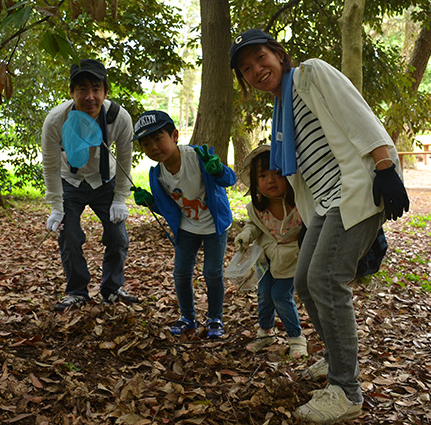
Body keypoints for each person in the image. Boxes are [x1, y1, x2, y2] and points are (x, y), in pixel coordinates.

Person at [230, 29, 409, 423]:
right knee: (303, 283)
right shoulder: (281, 108)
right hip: (324, 205)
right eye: (246, 69)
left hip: (355, 189)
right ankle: (333, 359)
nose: (257, 70)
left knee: (327, 280)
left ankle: (346, 390)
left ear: (278, 54)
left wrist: (384, 166)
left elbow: (355, 112)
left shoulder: (310, 75)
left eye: (261, 59)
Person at [41, 59, 139, 311]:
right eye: (82, 89)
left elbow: (126, 160)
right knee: (69, 236)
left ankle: (112, 288)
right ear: (71, 92)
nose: (90, 97)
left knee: (117, 236)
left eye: (96, 88)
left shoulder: (119, 118)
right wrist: (55, 206)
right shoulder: (56, 120)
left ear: (106, 92)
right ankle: (77, 291)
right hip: (69, 181)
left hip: (106, 181)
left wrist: (120, 199)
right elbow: (50, 165)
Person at [131, 110, 236, 339]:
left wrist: (217, 170)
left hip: (214, 226)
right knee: (180, 274)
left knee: (212, 273)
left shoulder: (197, 156)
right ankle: (188, 317)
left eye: (159, 138)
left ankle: (215, 317)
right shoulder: (157, 174)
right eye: (146, 144)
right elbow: (169, 207)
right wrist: (150, 201)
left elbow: (229, 179)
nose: (154, 147)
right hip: (186, 229)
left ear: (175, 135)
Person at [234, 144, 307, 359]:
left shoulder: (300, 204)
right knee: (264, 294)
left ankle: (296, 337)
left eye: (277, 173)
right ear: (255, 182)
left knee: (281, 296)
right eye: (263, 176)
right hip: (265, 258)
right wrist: (245, 236)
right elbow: (254, 225)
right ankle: (265, 332)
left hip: (291, 258)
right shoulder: (258, 207)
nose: (270, 180)